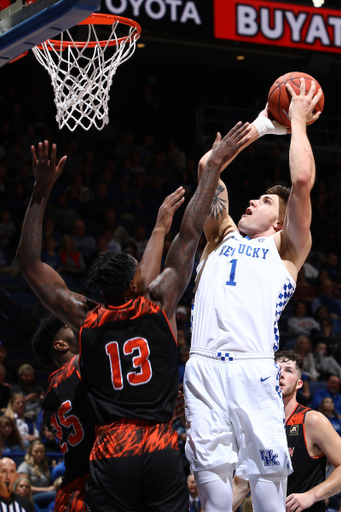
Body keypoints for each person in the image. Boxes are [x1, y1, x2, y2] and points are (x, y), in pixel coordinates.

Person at [16, 121, 252, 511]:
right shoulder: (157, 301)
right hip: (159, 444)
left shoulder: (87, 316)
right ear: (131, 286)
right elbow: (191, 230)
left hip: (112, 450)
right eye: (138, 271)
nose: (146, 271)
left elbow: (28, 263)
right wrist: (214, 168)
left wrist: (41, 192)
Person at [183, 78, 323, 512]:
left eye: (263, 201)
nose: (250, 203)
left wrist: (296, 122)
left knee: (266, 480)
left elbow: (301, 181)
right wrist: (263, 125)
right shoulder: (219, 236)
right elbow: (210, 166)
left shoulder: (286, 252)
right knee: (212, 482)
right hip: (202, 364)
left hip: (252, 366)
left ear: (280, 223)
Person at [30, 189, 188, 512]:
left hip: (74, 488)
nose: (77, 329)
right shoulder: (87, 367)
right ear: (61, 344)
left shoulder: (52, 394)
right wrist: (161, 408)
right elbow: (139, 298)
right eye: (69, 329)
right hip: (105, 473)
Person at [233, 350, 341, 512]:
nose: (280, 375)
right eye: (276, 369)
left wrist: (312, 495)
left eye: (288, 370)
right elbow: (241, 485)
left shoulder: (312, 420)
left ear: (299, 384)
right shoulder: (256, 425)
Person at [17, 439, 56, 509]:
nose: (39, 454)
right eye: (36, 452)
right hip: (31, 496)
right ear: (30, 452)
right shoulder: (25, 466)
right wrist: (46, 489)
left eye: (41, 452)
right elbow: (23, 487)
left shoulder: (44, 467)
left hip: (45, 495)